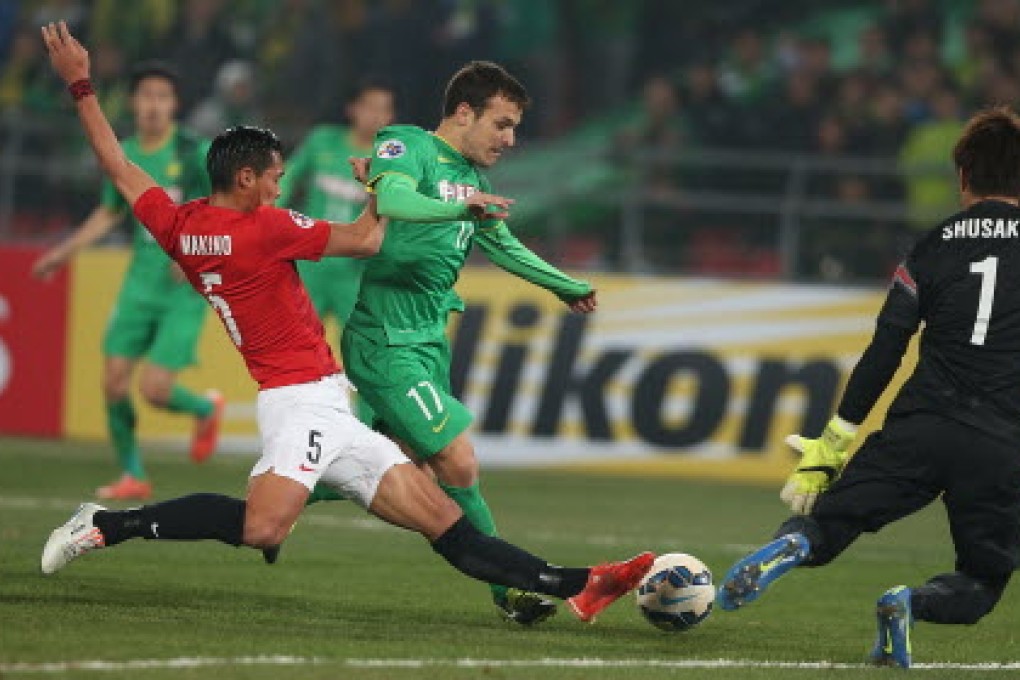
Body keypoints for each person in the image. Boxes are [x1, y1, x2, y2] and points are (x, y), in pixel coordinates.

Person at [38, 21, 653, 626]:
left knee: (442, 519)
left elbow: (118, 165)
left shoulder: (176, 225)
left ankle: (582, 583)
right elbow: (364, 240)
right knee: (262, 526)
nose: (283, 188)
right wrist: (380, 189)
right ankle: (105, 524)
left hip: (328, 401)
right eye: (277, 178)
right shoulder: (268, 229)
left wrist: (82, 88)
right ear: (246, 179)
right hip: (297, 403)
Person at [716, 107, 1020, 669]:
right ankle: (910, 602)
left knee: (833, 521)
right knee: (980, 582)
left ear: (963, 177)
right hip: (1000, 441)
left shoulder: (932, 246)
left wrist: (836, 437)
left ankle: (795, 544)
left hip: (920, 425)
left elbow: (887, 347)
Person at [340, 60, 597, 625]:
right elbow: (397, 202)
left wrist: (566, 285)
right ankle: (512, 590)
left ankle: (249, 507)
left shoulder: (476, 182)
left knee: (380, 467)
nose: (510, 139)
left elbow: (503, 247)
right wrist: (461, 206)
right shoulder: (404, 144)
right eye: (501, 124)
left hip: (429, 342)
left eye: (514, 129)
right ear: (464, 112)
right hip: (384, 339)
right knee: (457, 461)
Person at [32, 59, 224, 501]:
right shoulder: (125, 154)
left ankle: (203, 407)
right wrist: (63, 253)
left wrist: (195, 252)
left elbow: (221, 205)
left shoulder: (191, 151)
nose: (154, 106)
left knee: (154, 390)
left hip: (183, 289)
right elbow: (109, 211)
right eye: (146, 96)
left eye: (163, 97)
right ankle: (133, 474)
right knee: (113, 382)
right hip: (140, 281)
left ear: (175, 105)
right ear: (134, 102)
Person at [278, 79, 394, 356]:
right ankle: (307, 400)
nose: (376, 115)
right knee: (296, 348)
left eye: (384, 109)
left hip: (355, 272)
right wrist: (266, 214)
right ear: (352, 109)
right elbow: (288, 177)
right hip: (310, 265)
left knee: (368, 352)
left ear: (391, 116)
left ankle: (365, 401)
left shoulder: (392, 160)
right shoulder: (321, 141)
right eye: (370, 107)